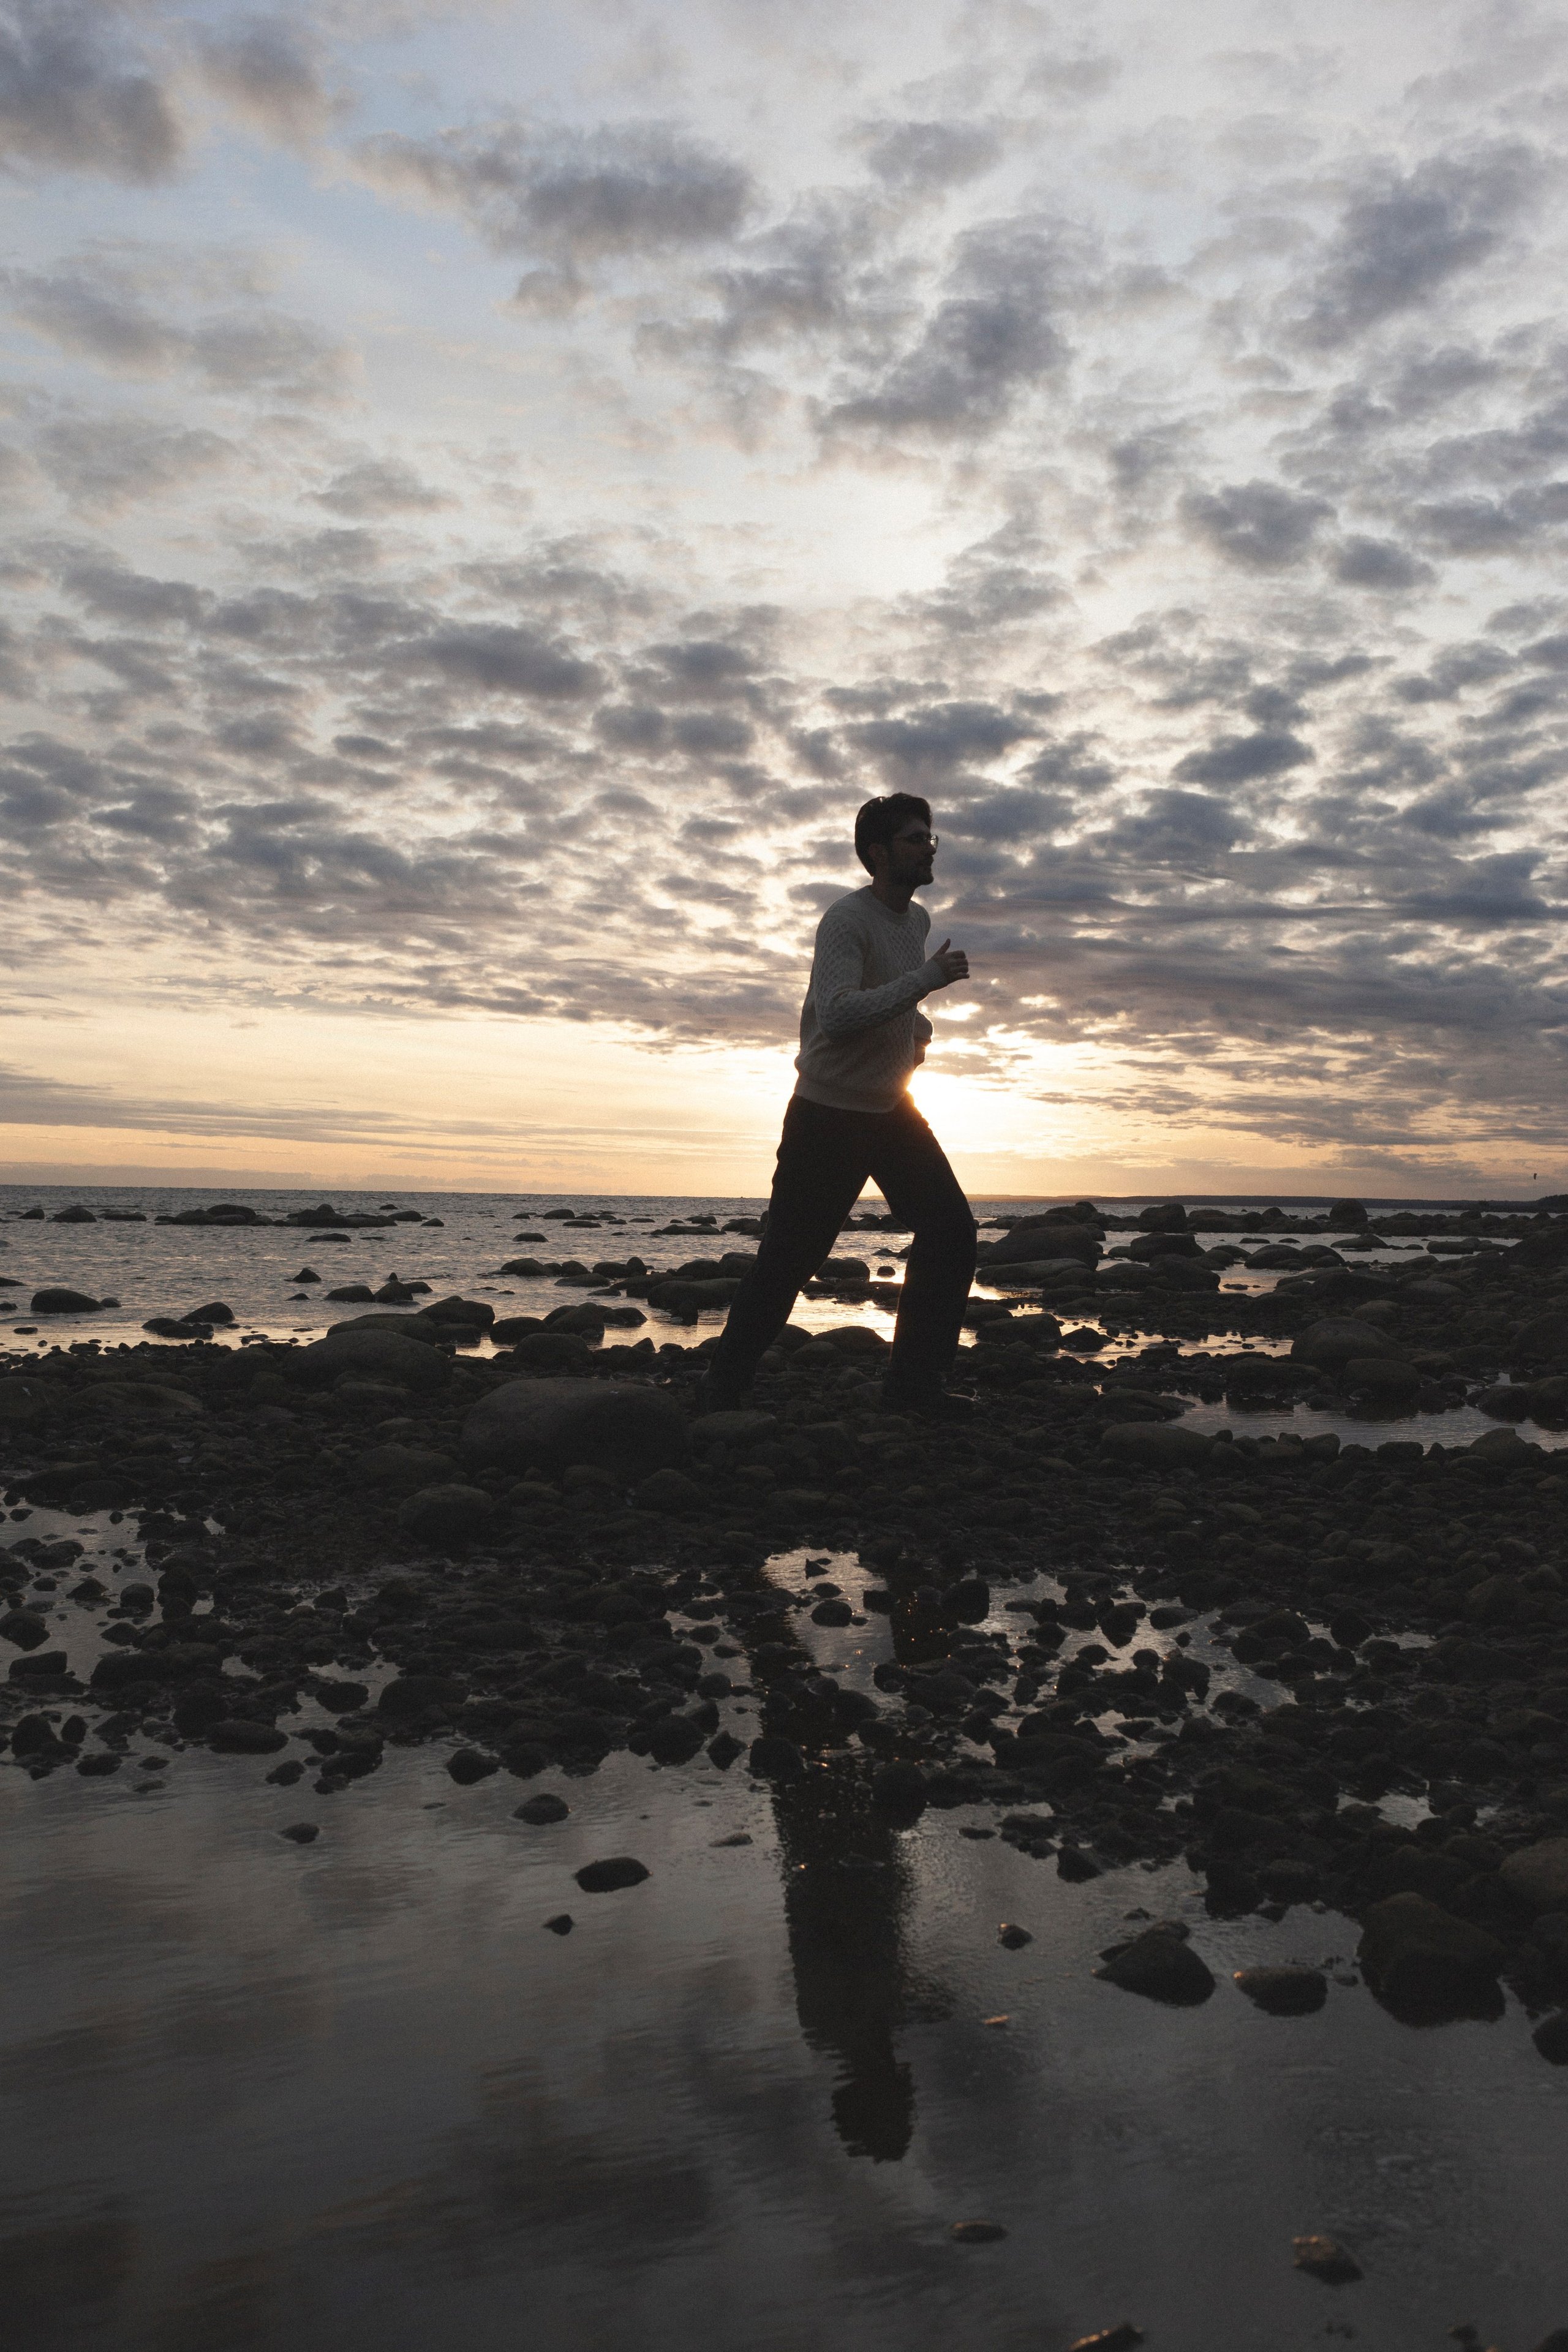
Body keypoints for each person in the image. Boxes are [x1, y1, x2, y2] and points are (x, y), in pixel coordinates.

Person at [701, 791, 978, 1419]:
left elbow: (895, 1004)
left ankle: (913, 1389)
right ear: (878, 853)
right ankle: (721, 1388)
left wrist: (917, 1035)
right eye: (915, 839)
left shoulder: (916, 922)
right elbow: (838, 1012)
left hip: (890, 1111)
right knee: (790, 1259)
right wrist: (924, 983)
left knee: (951, 1232)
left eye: (930, 838)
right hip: (827, 1114)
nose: (928, 848)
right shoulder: (846, 920)